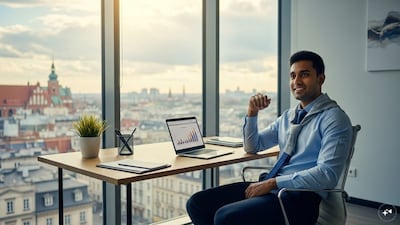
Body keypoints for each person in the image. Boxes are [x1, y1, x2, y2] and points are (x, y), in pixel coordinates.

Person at [186, 50, 353, 225]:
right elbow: (253, 146)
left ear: (321, 78)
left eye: (304, 75)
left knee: (225, 217)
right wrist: (252, 113)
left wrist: (273, 183)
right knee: (197, 203)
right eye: (293, 76)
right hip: (273, 187)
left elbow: (327, 175)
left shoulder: (334, 118)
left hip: (300, 198)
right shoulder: (289, 117)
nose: (296, 81)